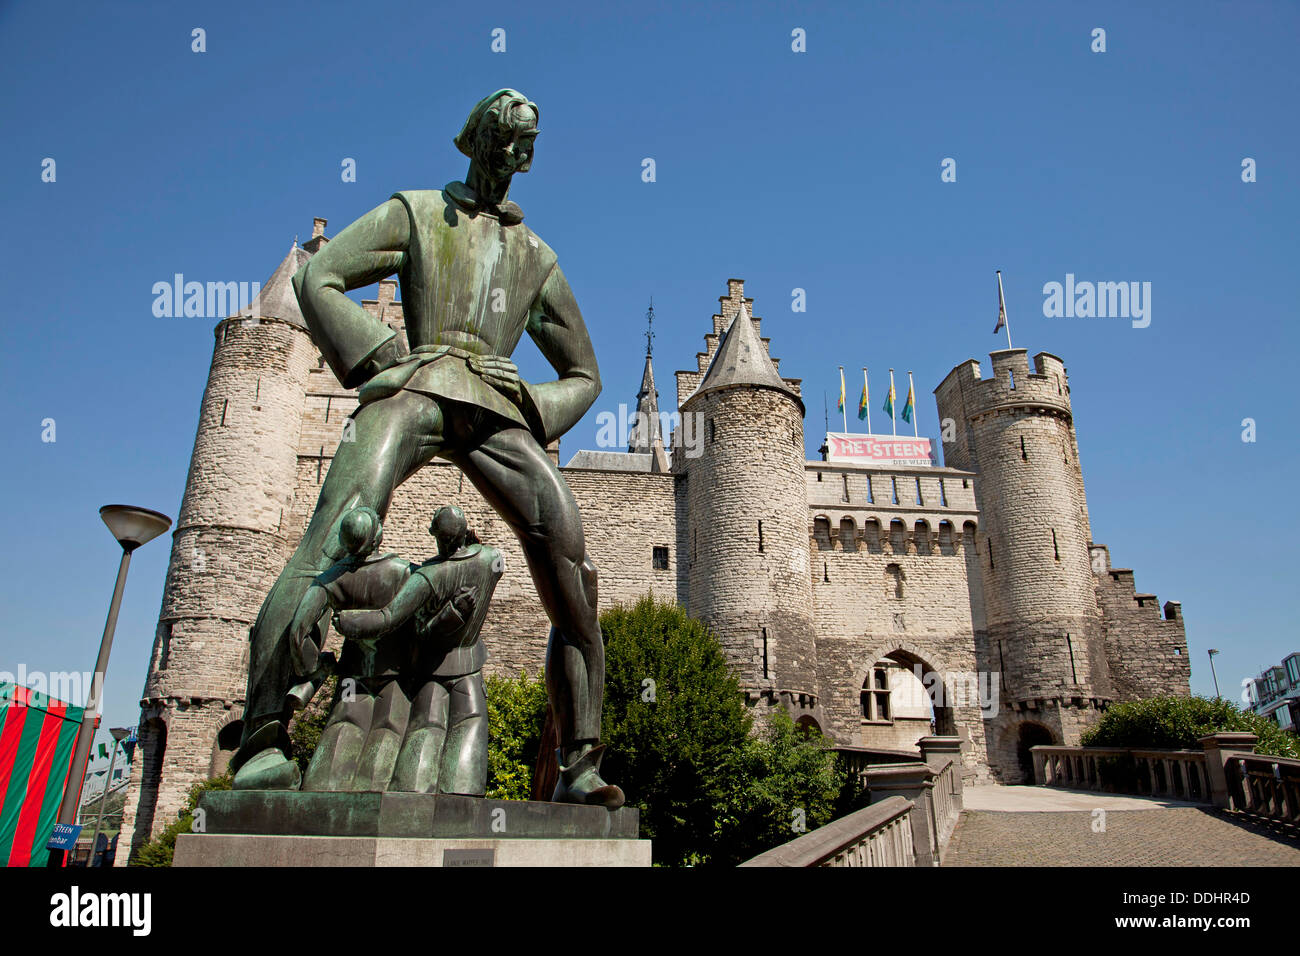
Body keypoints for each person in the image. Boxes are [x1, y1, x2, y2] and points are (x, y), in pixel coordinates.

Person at [230, 89, 621, 808]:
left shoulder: (535, 257)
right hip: (416, 387)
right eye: (504, 143)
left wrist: (531, 398)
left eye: (525, 148)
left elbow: (587, 376)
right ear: (475, 142)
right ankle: (262, 736)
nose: (513, 159)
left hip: (496, 412)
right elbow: (317, 276)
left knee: (574, 567)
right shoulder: (413, 211)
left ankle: (580, 760)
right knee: (337, 531)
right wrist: (380, 357)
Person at [333, 506, 499, 795]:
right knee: (470, 726)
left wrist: (348, 622)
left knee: (427, 729)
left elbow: (388, 619)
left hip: (432, 670)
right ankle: (462, 800)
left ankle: (410, 795)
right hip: (469, 667)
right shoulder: (492, 560)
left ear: (438, 538)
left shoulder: (427, 577)